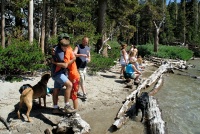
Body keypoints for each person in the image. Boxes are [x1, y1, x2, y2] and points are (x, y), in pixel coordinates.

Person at [51, 33, 77, 114]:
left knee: (56, 89)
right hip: (57, 73)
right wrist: (55, 63)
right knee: (69, 85)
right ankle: (67, 105)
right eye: (64, 47)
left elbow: (73, 58)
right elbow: (65, 65)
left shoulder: (59, 48)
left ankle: (55, 108)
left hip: (58, 72)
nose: (66, 48)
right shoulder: (59, 52)